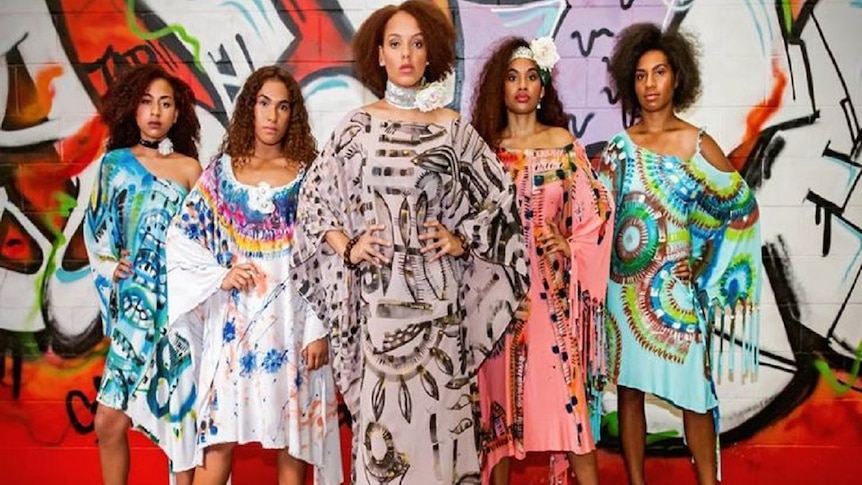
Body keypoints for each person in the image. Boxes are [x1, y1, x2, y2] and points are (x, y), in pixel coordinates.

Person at [290, 2, 528, 484]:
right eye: (395, 43)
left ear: (430, 54)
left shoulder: (453, 129)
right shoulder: (355, 128)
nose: (406, 54)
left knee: (443, 440)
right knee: (385, 444)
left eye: (417, 44)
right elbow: (314, 203)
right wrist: (349, 246)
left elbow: (502, 203)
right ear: (378, 54)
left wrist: (462, 240)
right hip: (380, 312)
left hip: (441, 312)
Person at [599, 22, 763, 485]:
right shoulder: (619, 147)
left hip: (675, 296)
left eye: (660, 72)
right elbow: (602, 218)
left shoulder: (697, 142)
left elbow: (739, 205)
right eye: (641, 75)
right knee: (629, 391)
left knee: (695, 393)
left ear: (677, 78)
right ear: (631, 81)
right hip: (623, 292)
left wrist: (707, 262)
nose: (650, 84)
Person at [165, 65, 342, 485]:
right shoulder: (220, 174)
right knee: (218, 436)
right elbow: (180, 238)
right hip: (234, 325)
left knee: (292, 439)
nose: (272, 115)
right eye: (264, 103)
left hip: (292, 326)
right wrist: (217, 276)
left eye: (283, 107)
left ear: (292, 116)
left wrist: (318, 328)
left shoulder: (308, 177)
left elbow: (325, 258)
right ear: (249, 108)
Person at [471, 36, 614, 485]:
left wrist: (570, 247)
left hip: (552, 302)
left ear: (544, 86)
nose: (522, 86)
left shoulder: (563, 144)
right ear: (499, 86)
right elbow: (468, 221)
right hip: (498, 306)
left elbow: (598, 213)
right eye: (512, 77)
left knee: (573, 422)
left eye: (532, 77)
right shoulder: (483, 150)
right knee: (501, 425)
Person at [83, 63, 202, 485]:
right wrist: (109, 266)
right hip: (134, 310)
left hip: (179, 311)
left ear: (177, 114)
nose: (155, 111)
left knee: (181, 428)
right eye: (147, 101)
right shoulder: (114, 164)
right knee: (107, 421)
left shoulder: (191, 169)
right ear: (133, 109)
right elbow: (96, 233)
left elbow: (205, 242)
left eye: (165, 103)